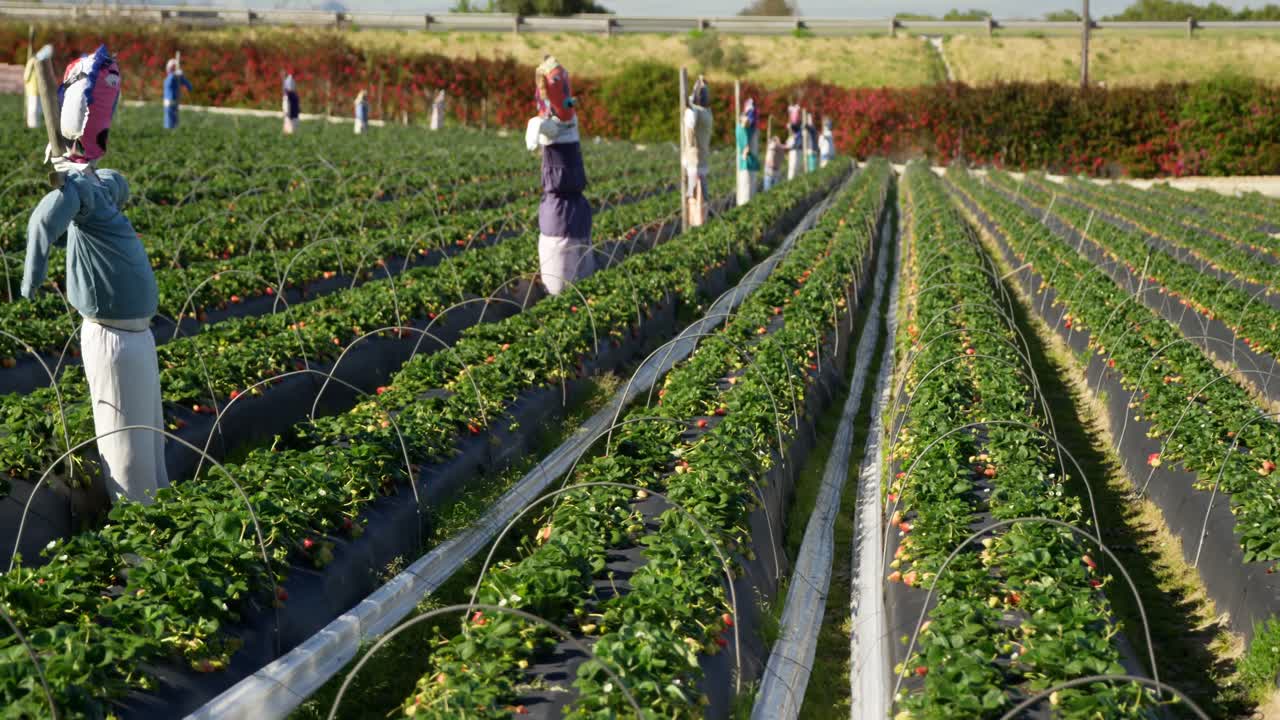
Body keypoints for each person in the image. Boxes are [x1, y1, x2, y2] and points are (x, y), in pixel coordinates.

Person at [23, 46, 167, 506]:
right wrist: (30, 282)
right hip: (110, 335)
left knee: (149, 434)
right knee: (124, 440)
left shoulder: (98, 185)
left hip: (138, 333)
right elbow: (42, 224)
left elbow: (118, 183)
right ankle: (136, 530)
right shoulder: (78, 194)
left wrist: (82, 173)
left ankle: (160, 515)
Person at [525, 56, 593, 296]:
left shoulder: (567, 122)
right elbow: (544, 127)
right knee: (562, 292)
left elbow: (550, 124)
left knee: (581, 290)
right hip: (562, 221)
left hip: (575, 218)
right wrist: (535, 127)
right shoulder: (552, 125)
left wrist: (536, 127)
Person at [683, 76, 713, 227]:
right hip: (701, 160)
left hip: (694, 161)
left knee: (694, 196)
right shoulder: (707, 112)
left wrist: (689, 100)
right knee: (701, 195)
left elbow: (690, 121)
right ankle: (700, 224)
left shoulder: (695, 112)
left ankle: (695, 225)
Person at [735, 97, 759, 206]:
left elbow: (748, 122)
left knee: (748, 189)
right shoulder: (742, 129)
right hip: (746, 163)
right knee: (746, 190)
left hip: (749, 163)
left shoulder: (750, 129)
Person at [162, 56, 192, 130]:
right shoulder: (170, 78)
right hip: (169, 102)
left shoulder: (178, 77)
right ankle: (168, 130)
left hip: (176, 100)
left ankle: (175, 130)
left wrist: (182, 76)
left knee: (175, 119)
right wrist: (174, 75)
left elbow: (188, 85)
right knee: (169, 119)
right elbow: (168, 84)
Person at [23, 52, 41, 129]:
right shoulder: (36, 61)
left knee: (33, 108)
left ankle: (33, 125)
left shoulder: (32, 62)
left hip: (33, 89)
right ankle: (34, 125)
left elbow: (25, 77)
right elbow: (26, 76)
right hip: (35, 89)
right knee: (35, 109)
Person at [786, 103, 802, 180]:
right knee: (793, 168)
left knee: (795, 168)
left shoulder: (798, 126)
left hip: (797, 149)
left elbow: (794, 126)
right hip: (794, 149)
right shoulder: (795, 125)